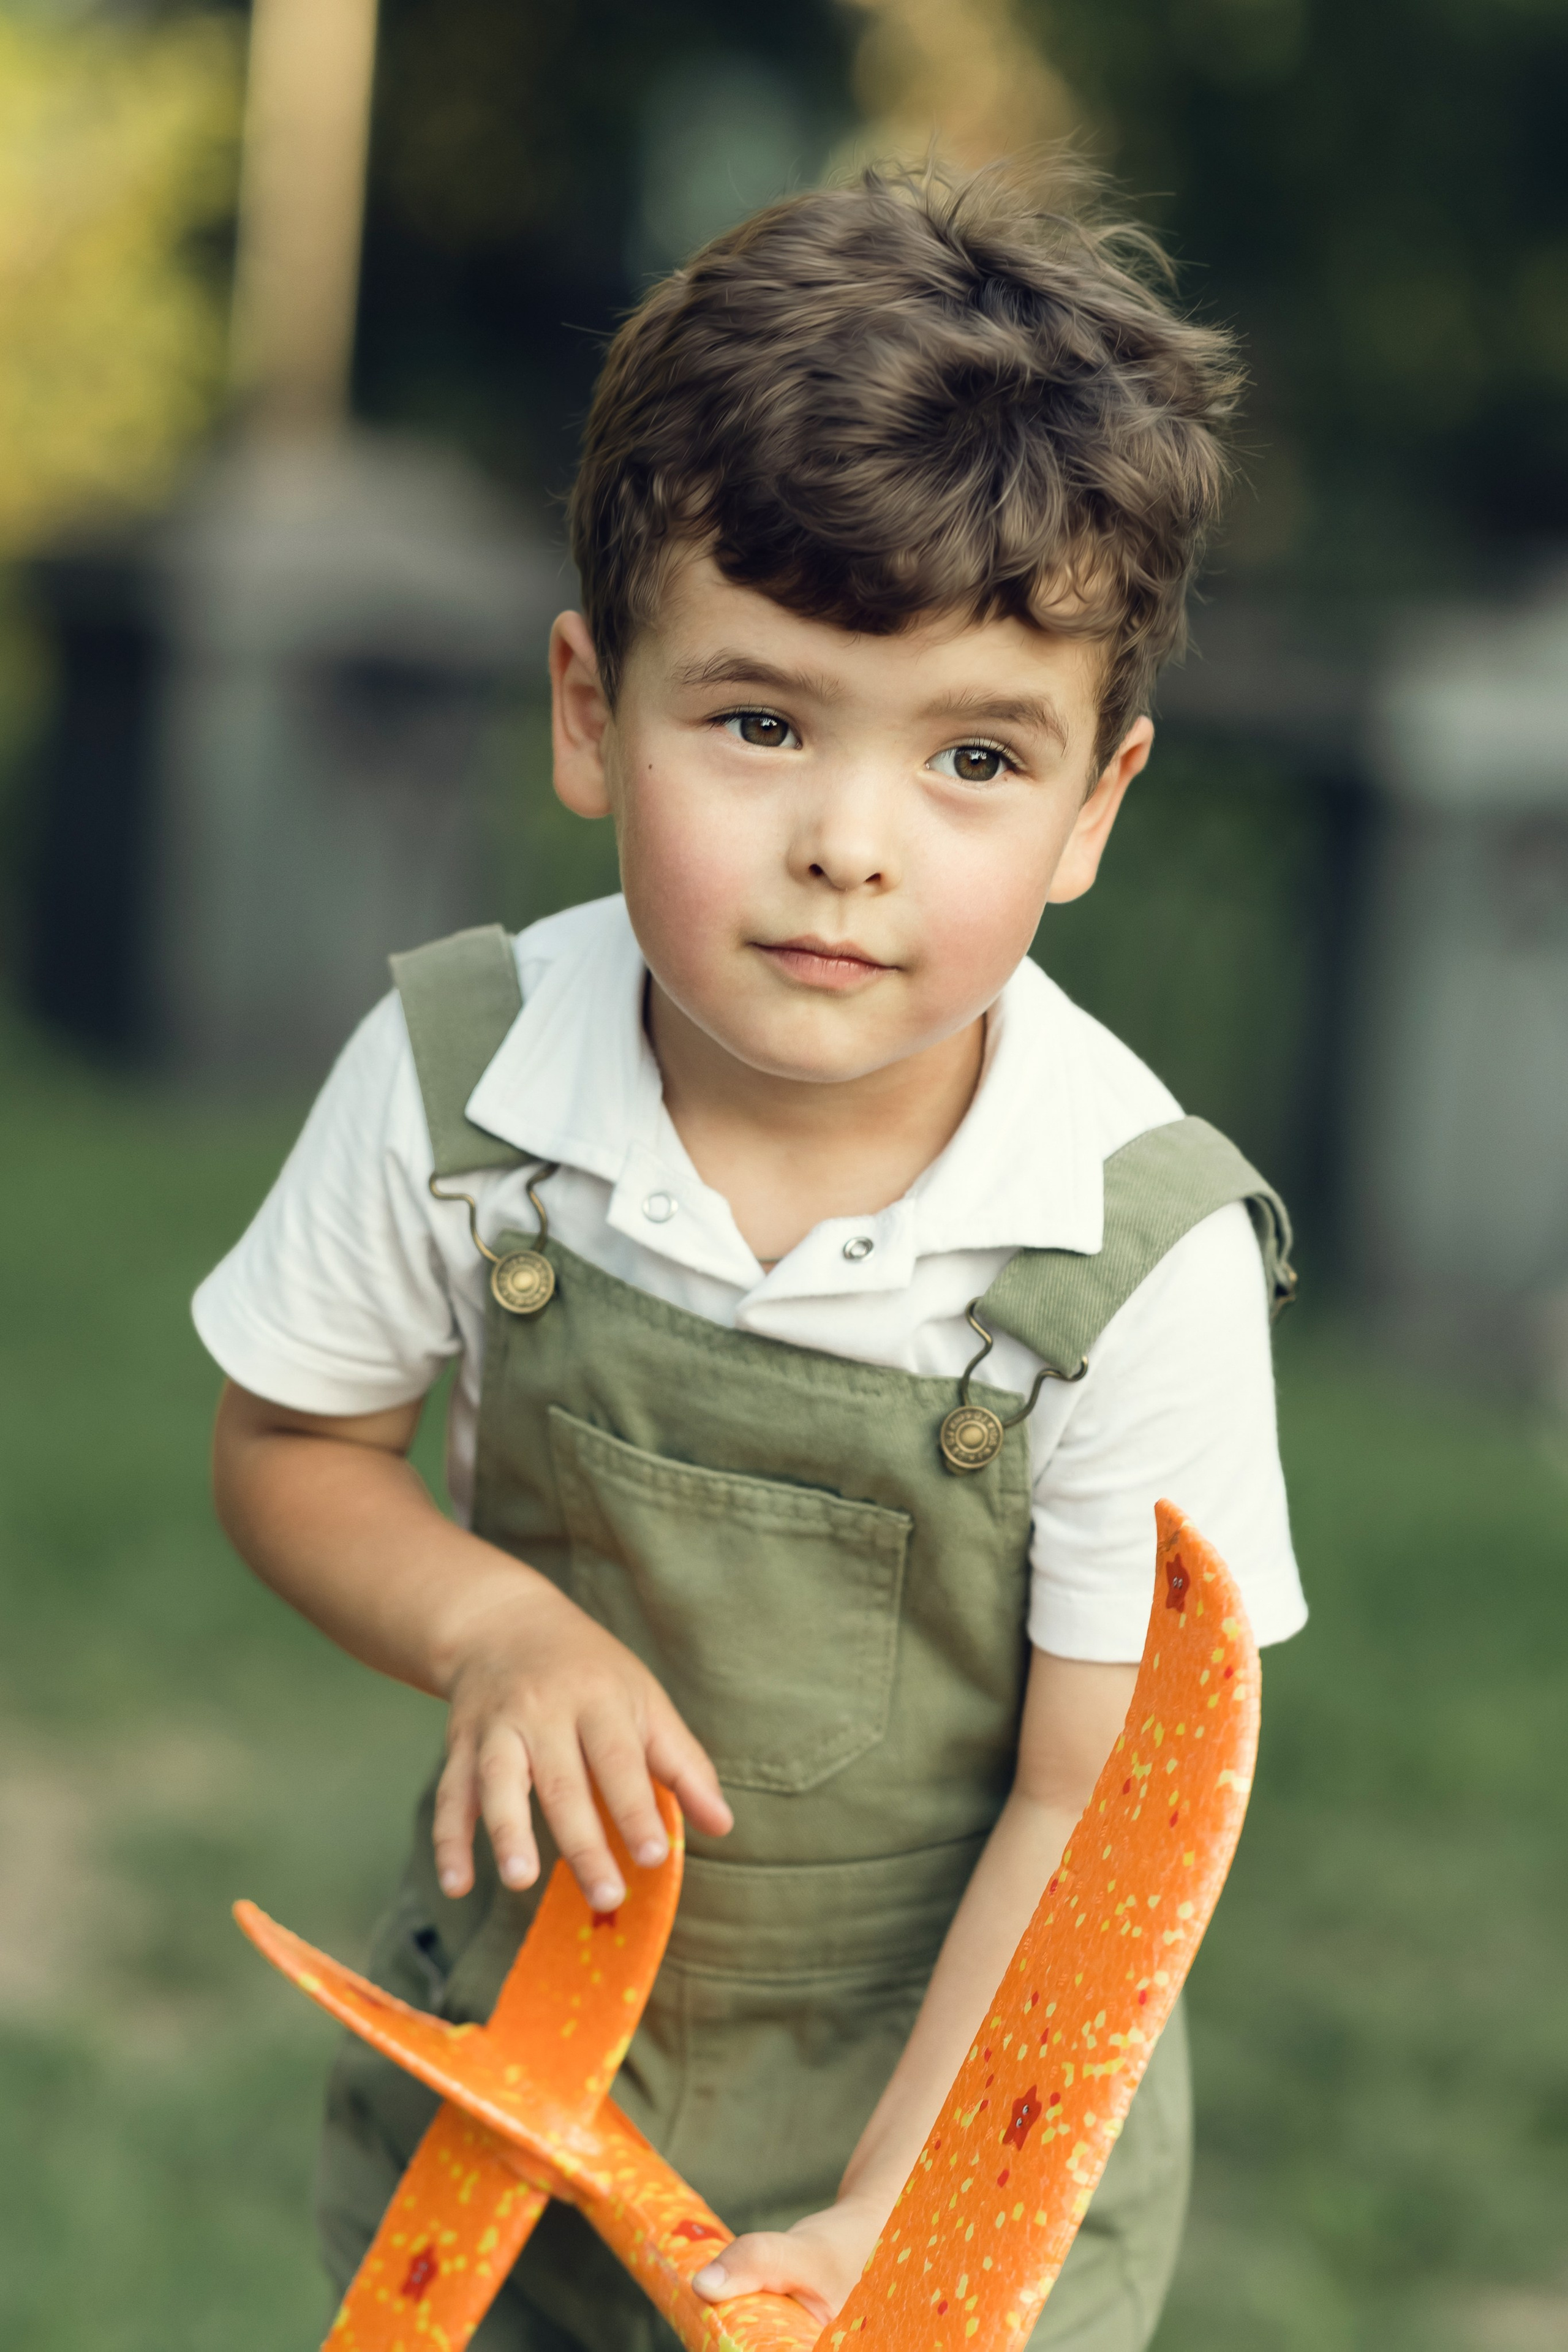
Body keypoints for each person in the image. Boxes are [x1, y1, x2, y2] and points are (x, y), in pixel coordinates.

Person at [195, 162, 1306, 2352]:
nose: (848, 844)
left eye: (973, 757)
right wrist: (495, 1628)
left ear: (1094, 806)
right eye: (762, 722)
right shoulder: (464, 1089)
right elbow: (290, 1448)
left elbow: (1107, 1807)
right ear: (587, 707)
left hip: (958, 2128)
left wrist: (901, 2219)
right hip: (521, 2086)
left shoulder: (1130, 1248)